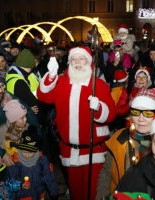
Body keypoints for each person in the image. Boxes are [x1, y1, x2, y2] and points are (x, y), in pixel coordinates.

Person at [37, 46, 117, 200]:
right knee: (75, 192)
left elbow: (112, 114)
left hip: (93, 152)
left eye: (81, 58)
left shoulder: (98, 85)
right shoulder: (61, 82)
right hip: (69, 151)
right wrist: (51, 76)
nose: (77, 62)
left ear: (88, 62)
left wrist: (99, 108)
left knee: (94, 193)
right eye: (73, 59)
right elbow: (44, 96)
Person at [96, 95, 155, 200]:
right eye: (136, 112)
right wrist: (101, 197)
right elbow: (106, 173)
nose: (141, 119)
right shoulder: (120, 137)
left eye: (148, 113)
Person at [7, 125, 59, 200]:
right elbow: (9, 182)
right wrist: (20, 185)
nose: (27, 155)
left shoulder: (42, 159)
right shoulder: (14, 161)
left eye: (31, 152)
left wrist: (54, 193)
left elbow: (49, 176)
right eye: (24, 151)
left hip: (40, 194)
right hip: (24, 196)